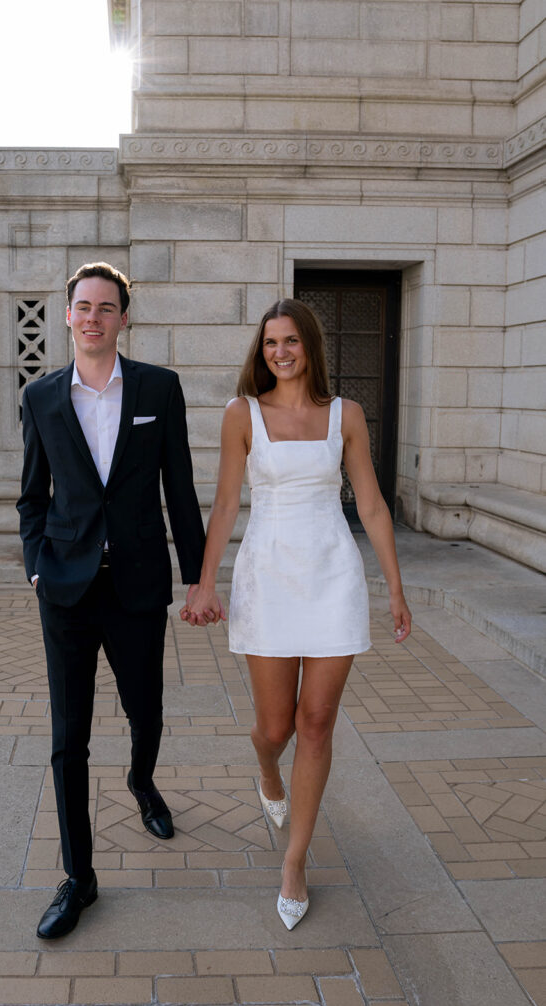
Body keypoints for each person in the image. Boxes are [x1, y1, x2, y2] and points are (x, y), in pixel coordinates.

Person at [181, 298, 411, 930]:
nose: (279, 352)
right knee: (276, 727)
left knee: (317, 724)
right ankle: (264, 766)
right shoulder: (241, 414)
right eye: (269, 343)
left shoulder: (347, 416)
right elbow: (227, 504)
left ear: (310, 346)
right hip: (268, 576)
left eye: (290, 341)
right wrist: (204, 584)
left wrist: (393, 587)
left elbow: (370, 505)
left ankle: (296, 859)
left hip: (333, 576)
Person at [17, 262, 214, 938]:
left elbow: (179, 487)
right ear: (67, 316)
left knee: (146, 711)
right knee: (67, 741)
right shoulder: (42, 397)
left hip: (135, 586)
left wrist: (199, 575)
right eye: (83, 306)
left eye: (107, 307)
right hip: (66, 589)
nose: (94, 316)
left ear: (123, 318)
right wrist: (36, 567)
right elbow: (31, 496)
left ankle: (141, 782)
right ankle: (79, 878)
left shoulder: (160, 388)